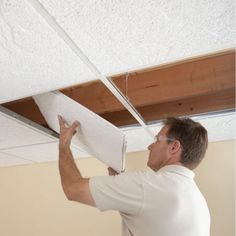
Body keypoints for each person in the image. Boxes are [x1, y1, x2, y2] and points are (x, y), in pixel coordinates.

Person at [58, 115, 210, 236]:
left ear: (174, 147)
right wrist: (121, 186)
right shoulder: (199, 201)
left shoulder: (147, 185)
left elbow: (72, 188)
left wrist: (64, 143)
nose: (150, 146)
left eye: (157, 140)